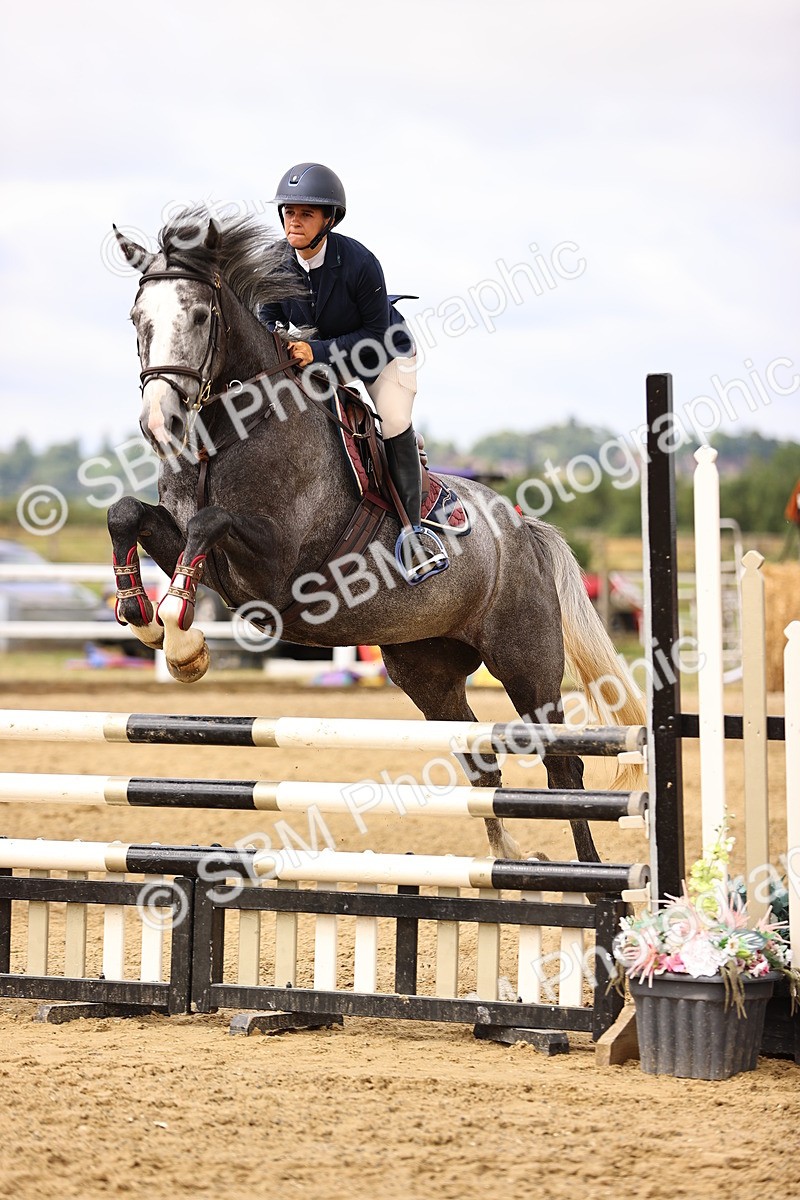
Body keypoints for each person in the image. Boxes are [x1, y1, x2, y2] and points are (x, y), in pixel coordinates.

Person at [257, 162, 448, 585]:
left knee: (394, 420)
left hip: (382, 353)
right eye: (289, 211)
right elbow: (266, 318)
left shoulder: (360, 262)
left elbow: (376, 335)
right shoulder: (272, 262)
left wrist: (317, 351)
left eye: (306, 213)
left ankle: (415, 530)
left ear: (329, 219)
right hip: (320, 357)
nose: (294, 220)